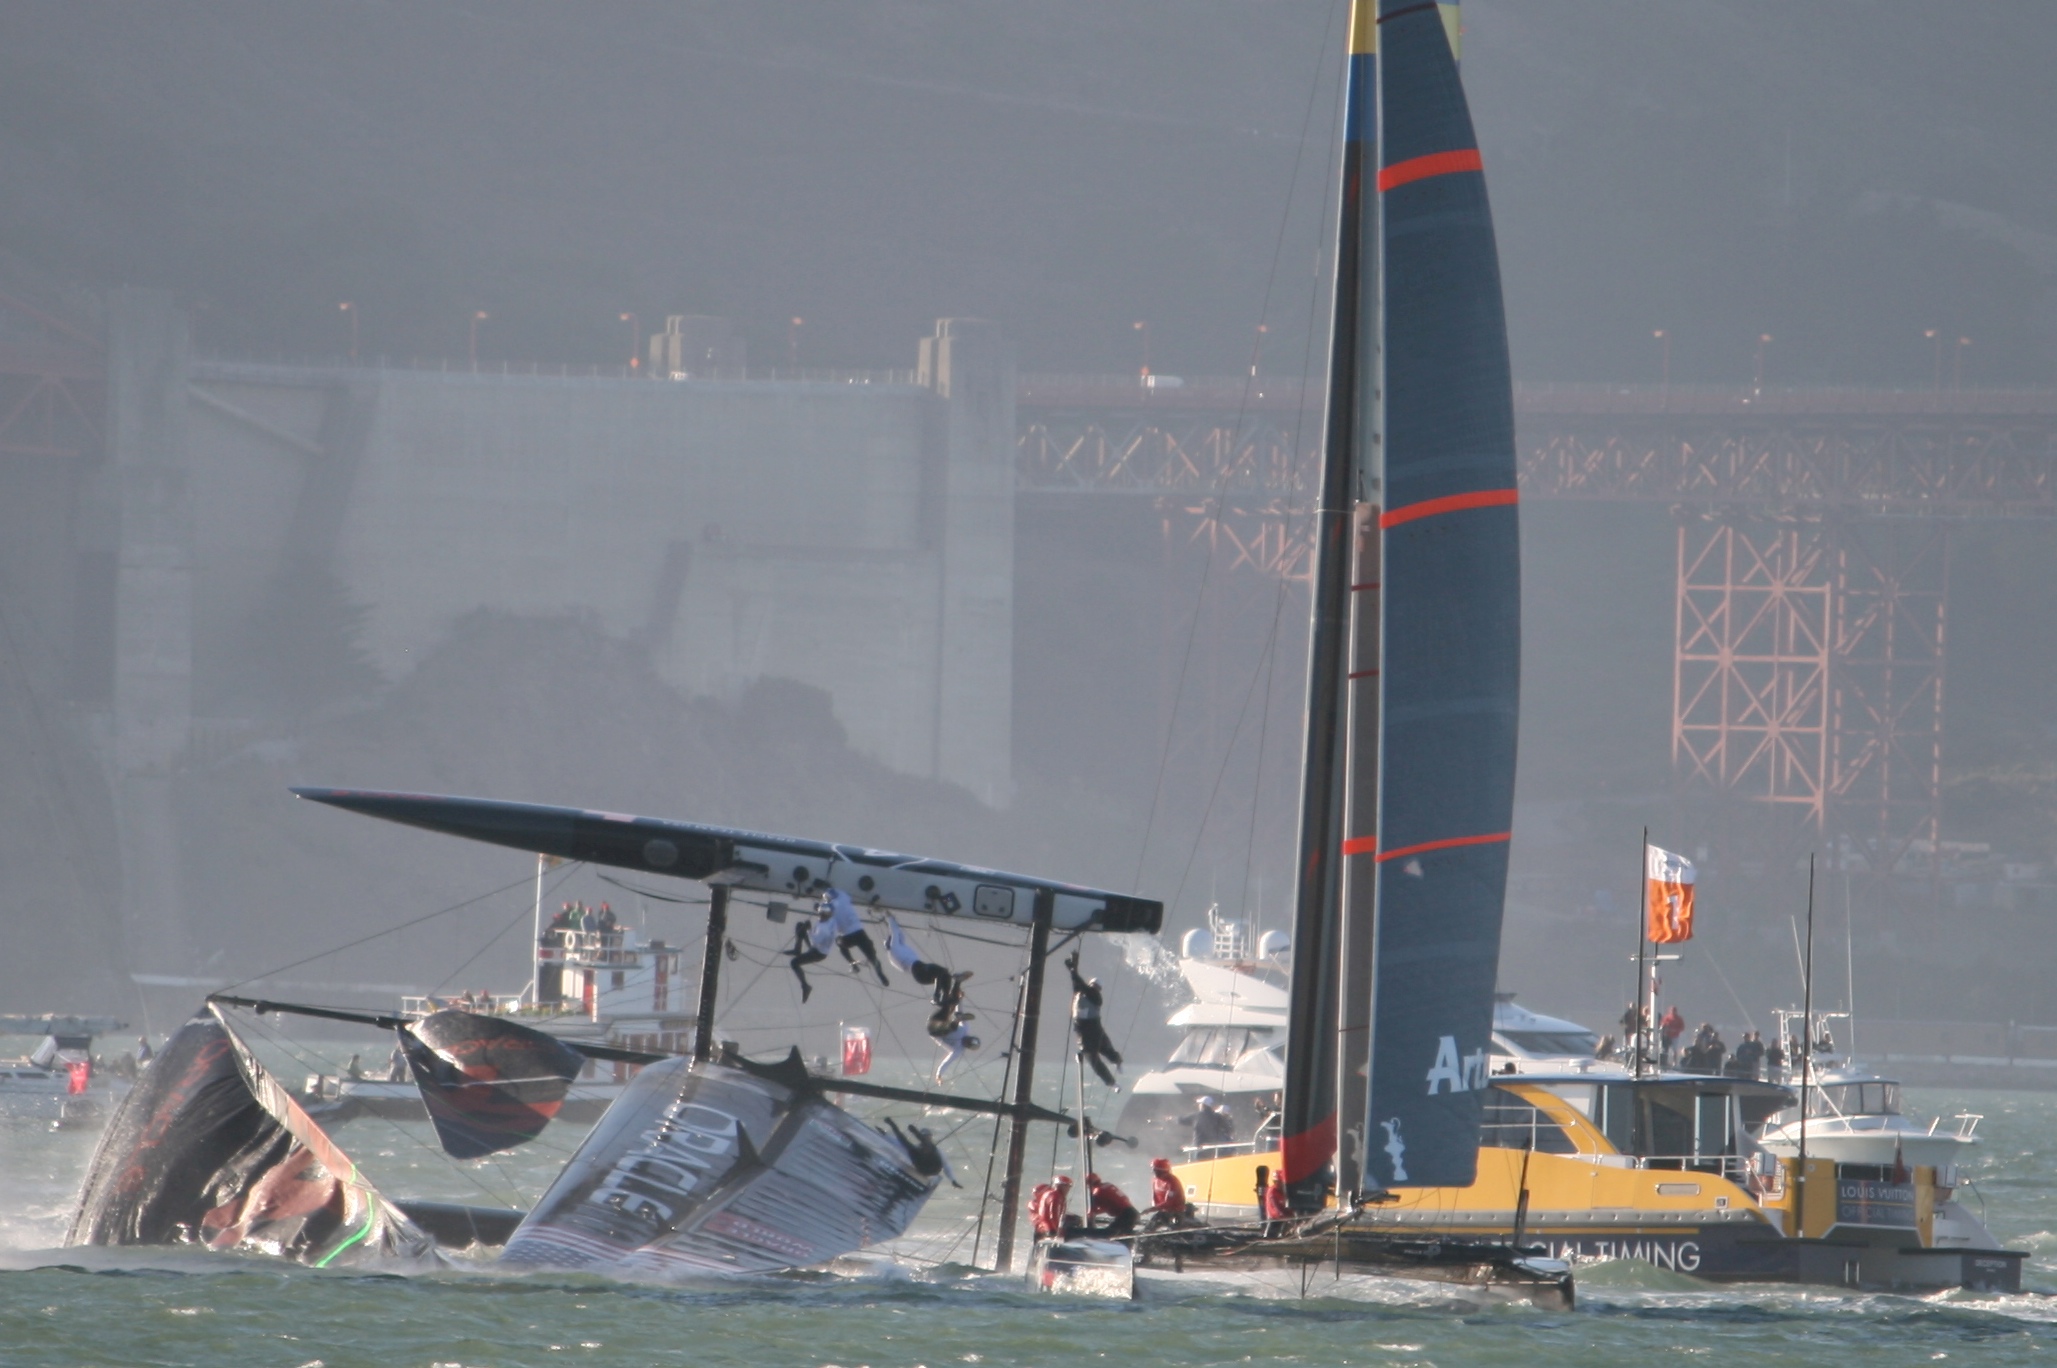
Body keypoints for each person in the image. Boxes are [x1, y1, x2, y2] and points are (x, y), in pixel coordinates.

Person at [884, 914, 970, 1005]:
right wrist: (889, 918)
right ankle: (937, 996)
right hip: (918, 971)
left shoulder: (900, 947)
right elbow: (895, 932)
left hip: (921, 969)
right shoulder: (893, 949)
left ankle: (947, 996)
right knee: (940, 972)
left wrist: (893, 923)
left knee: (945, 974)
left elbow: (899, 934)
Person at [1066, 952, 1122, 1088]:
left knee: (1093, 1056)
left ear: (1098, 989)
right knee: (1104, 1049)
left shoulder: (1095, 996)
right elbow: (1076, 982)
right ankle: (1117, 1064)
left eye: (1095, 987)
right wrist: (1074, 966)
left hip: (1090, 1029)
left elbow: (1080, 983)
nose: (1093, 988)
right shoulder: (1081, 992)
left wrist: (1073, 969)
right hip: (1085, 1028)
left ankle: (1112, 1081)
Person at [816, 887, 889, 986]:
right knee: (873, 958)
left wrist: (818, 906)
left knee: (839, 943)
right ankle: (880, 974)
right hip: (859, 933)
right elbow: (836, 893)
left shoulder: (828, 908)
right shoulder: (843, 897)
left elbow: (824, 916)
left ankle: (852, 963)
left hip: (847, 937)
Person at [928, 1006, 980, 1083]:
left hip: (935, 1032)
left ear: (967, 1046)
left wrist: (938, 1075)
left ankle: (956, 1019)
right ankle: (955, 1016)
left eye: (967, 1042)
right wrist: (959, 999)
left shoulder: (958, 1050)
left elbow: (946, 1062)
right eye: (969, 1039)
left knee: (954, 1026)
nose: (966, 1040)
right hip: (943, 1024)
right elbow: (960, 1010)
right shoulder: (966, 1029)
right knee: (957, 1022)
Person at [1086, 1172, 1138, 1237]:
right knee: (1123, 1233)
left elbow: (1092, 1212)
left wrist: (1087, 1218)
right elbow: (1110, 1205)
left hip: (1126, 1216)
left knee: (1109, 1234)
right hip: (1133, 1212)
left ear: (1089, 1184)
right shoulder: (1108, 1185)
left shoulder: (1097, 1193)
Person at [1146, 1157, 1192, 1230]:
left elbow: (1169, 1202)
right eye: (1154, 1171)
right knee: (1152, 1224)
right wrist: (1154, 1206)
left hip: (1174, 1211)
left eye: (1157, 1171)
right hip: (1162, 1210)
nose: (1155, 1173)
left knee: (1160, 1219)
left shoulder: (1172, 1182)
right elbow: (1154, 1195)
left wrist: (1151, 1209)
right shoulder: (1155, 1180)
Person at [1261, 1171, 1291, 1237]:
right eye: (1275, 1181)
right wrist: (1286, 1216)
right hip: (1274, 1217)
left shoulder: (1285, 1191)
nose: (1276, 1184)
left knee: (1286, 1231)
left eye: (1279, 1182)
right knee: (1270, 1234)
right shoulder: (1272, 1192)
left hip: (1284, 1216)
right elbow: (1276, 1207)